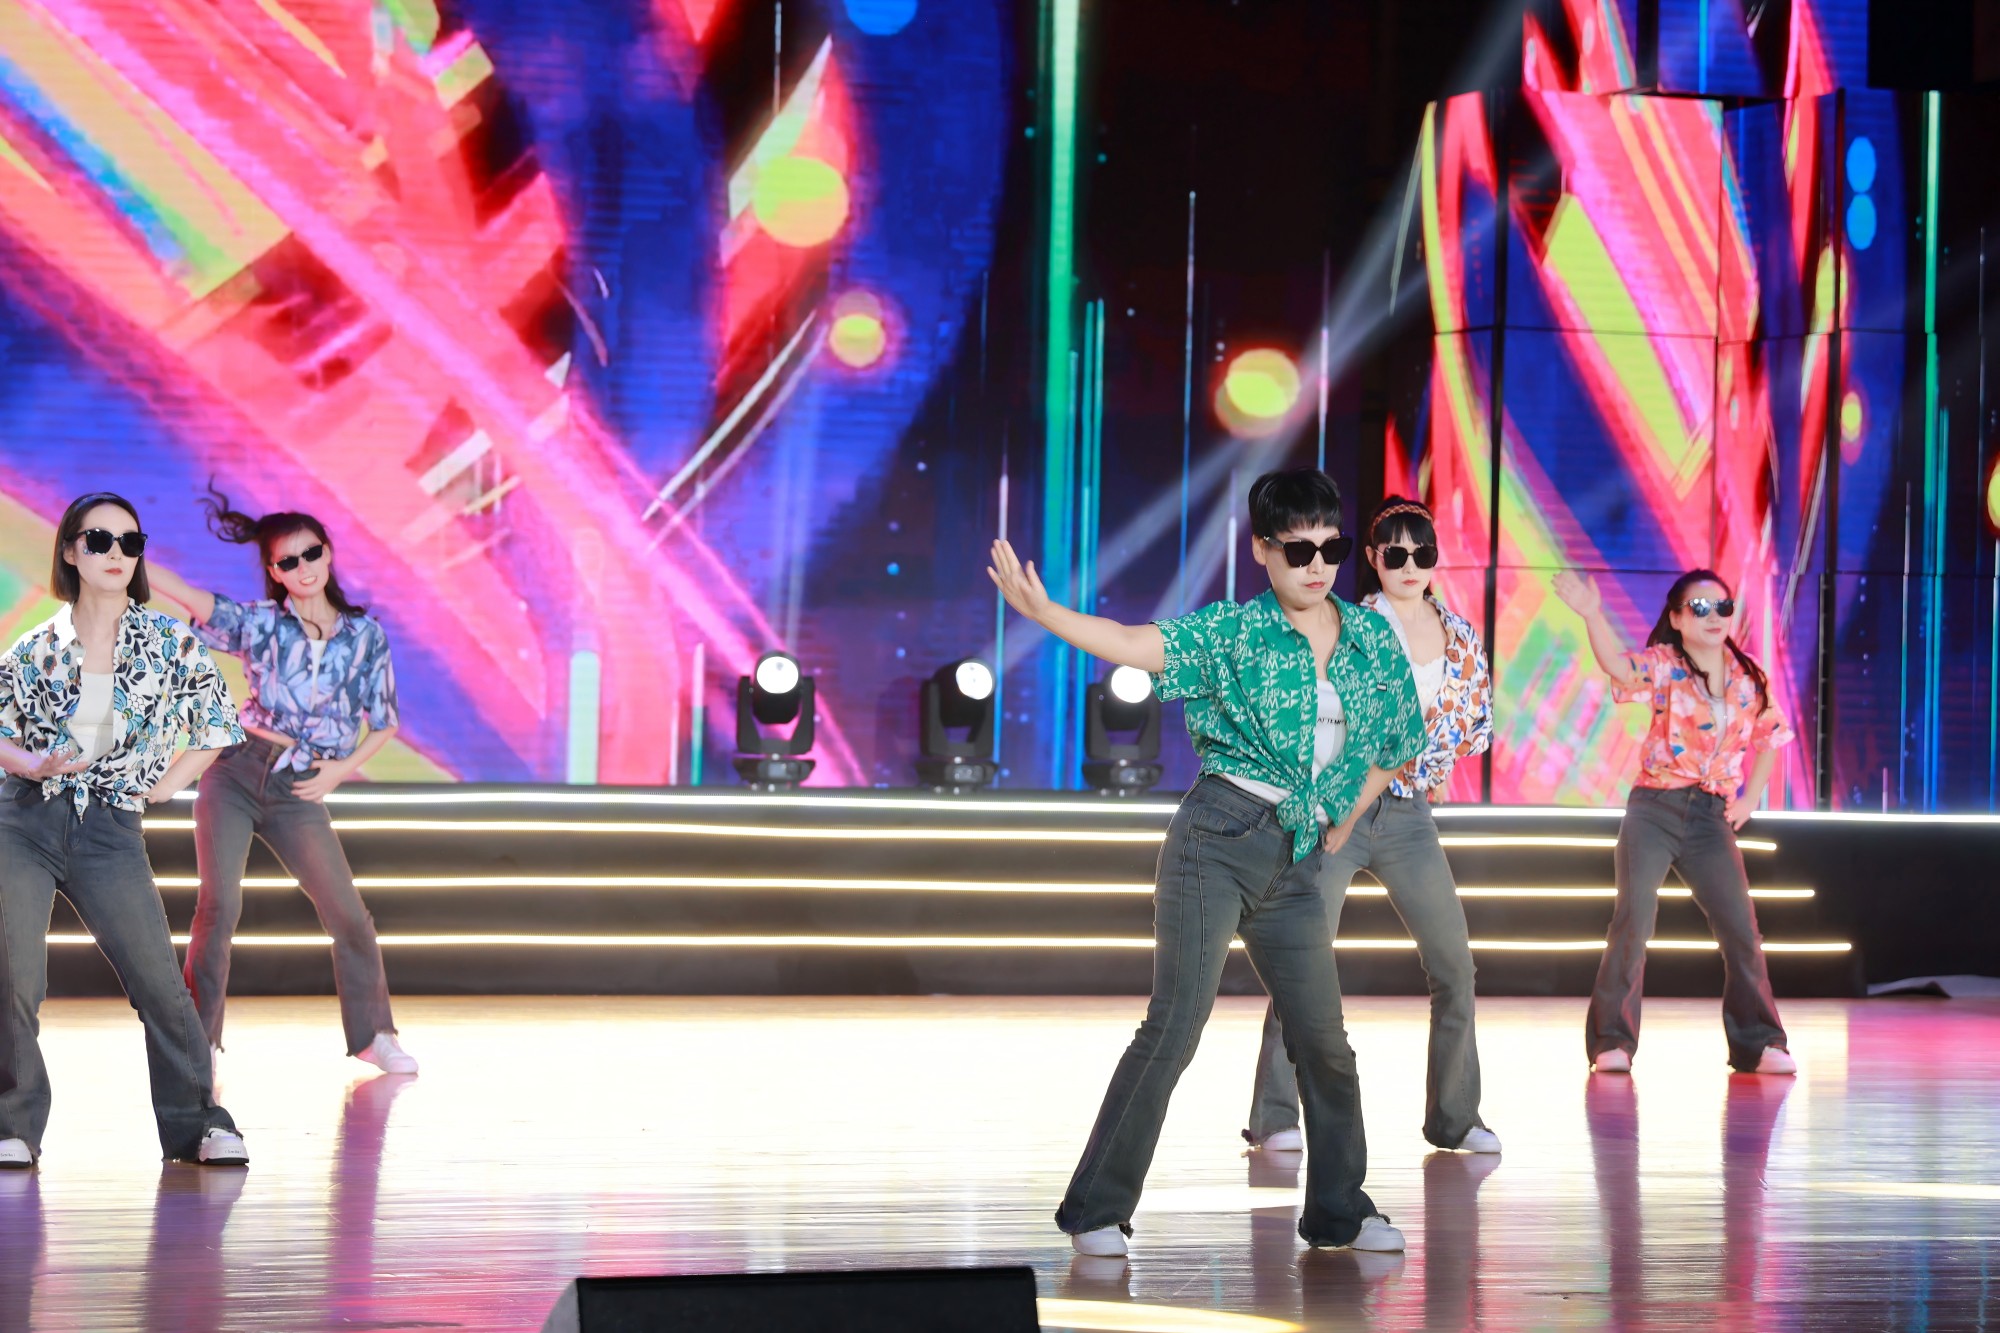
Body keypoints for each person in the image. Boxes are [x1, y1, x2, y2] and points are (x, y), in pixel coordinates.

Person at [989, 467, 1427, 1258]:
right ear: (1262, 549)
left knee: (1325, 1044)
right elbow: (1134, 643)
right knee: (1175, 1025)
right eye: (1297, 549)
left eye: (1330, 548)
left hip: (1297, 857)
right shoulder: (1232, 633)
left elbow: (1398, 741)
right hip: (1216, 841)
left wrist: (1345, 813)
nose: (1317, 565)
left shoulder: (1370, 642)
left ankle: (1340, 1209)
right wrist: (1046, 613)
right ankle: (1097, 1210)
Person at [0, 492, 250, 1169]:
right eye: (100, 540)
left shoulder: (169, 641)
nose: (117, 554)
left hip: (110, 827)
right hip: (23, 819)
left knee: (159, 982)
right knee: (13, 979)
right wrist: (32, 763)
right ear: (71, 550)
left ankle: (199, 1125)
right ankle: (12, 1126)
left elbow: (217, 724)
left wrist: (167, 783)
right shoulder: (36, 646)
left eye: (130, 542)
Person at [1245, 496, 1499, 1156]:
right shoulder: (1345, 626)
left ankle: (1455, 1116)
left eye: (1423, 552)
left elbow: (1472, 724)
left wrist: (1428, 767)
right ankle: (1276, 1114)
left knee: (1455, 964)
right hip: (1338, 806)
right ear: (1373, 558)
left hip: (1408, 815)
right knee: (1303, 956)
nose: (1410, 565)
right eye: (1397, 552)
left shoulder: (1461, 636)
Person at [148, 489, 415, 1078]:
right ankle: (200, 1043)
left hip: (300, 785)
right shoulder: (263, 624)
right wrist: (124, 556)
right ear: (274, 572)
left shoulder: (365, 636)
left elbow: (385, 721)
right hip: (237, 769)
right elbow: (192, 597)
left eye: (311, 553)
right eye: (288, 561)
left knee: (348, 913)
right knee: (219, 905)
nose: (303, 567)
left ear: (328, 553)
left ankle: (374, 1035)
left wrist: (340, 770)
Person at [1552, 567, 1796, 1075]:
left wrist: (1750, 798)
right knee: (1634, 919)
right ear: (1678, 618)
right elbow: (1619, 668)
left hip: (1711, 817)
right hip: (1655, 810)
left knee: (1742, 931)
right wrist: (1592, 614)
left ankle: (1758, 1043)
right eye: (1700, 608)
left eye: (1723, 607)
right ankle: (1612, 1043)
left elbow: (1770, 736)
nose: (1714, 616)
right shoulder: (1664, 664)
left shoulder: (1748, 676)